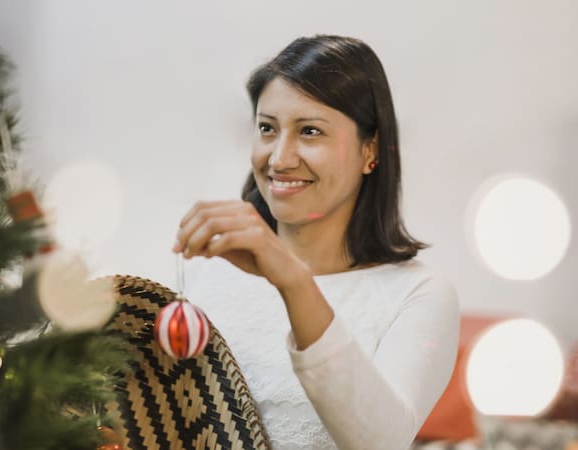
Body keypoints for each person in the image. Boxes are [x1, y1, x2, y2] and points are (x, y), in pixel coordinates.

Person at [172, 35, 460, 450]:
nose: (279, 159)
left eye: (310, 131)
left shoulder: (419, 296)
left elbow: (381, 441)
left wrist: (292, 279)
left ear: (369, 150)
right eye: (267, 129)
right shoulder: (206, 272)